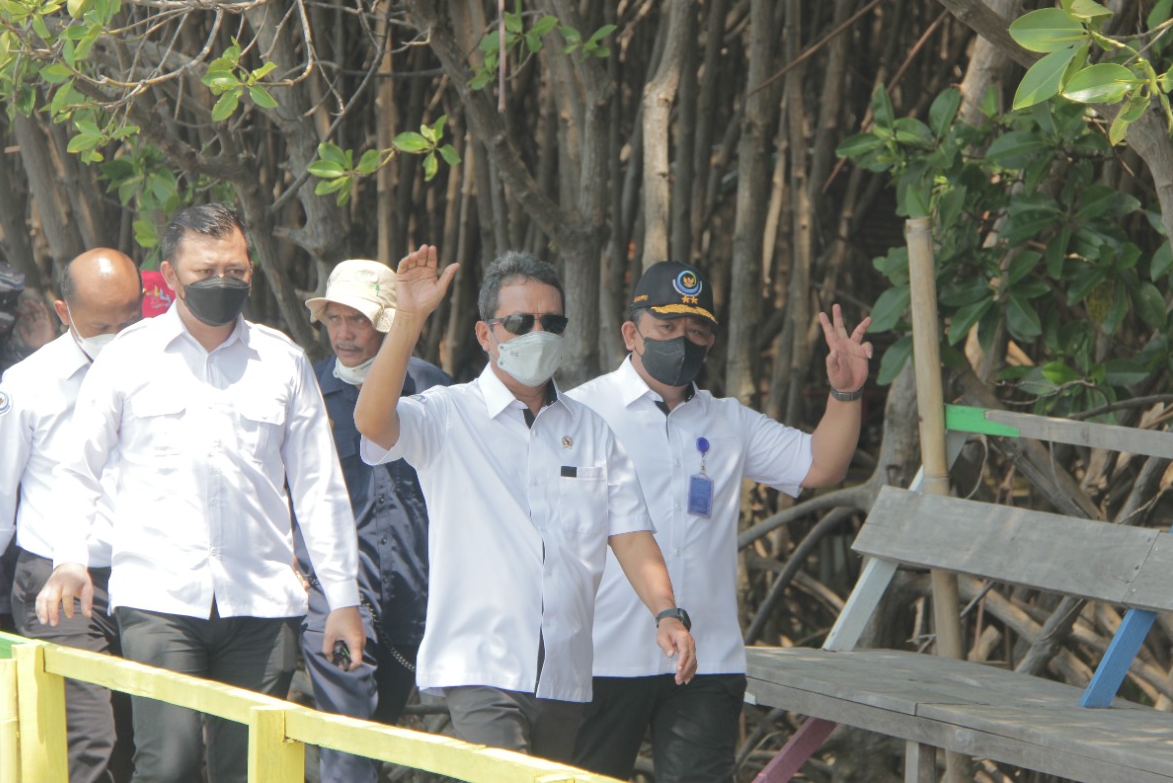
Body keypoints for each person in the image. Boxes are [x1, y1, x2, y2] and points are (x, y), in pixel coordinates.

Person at [36, 203, 364, 783]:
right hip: (160, 602)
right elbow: (76, 468)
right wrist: (69, 559)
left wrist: (341, 600)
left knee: (254, 770)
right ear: (169, 275)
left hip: (261, 606)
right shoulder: (127, 359)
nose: (222, 282)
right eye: (205, 271)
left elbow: (319, 488)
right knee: (170, 764)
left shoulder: (282, 361)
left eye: (236, 271)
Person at [354, 247, 697, 762]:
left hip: (565, 669)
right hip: (481, 666)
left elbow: (629, 532)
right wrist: (406, 321)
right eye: (519, 321)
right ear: (485, 335)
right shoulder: (449, 414)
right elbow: (372, 422)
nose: (537, 333)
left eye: (550, 321)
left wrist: (666, 612)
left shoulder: (591, 430)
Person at [568, 261, 872, 783]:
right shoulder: (579, 413)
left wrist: (845, 393)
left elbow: (823, 464)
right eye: (666, 327)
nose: (682, 341)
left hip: (706, 661)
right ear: (631, 332)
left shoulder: (728, 421)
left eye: (697, 330)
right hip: (601, 657)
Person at [0, 249, 143, 783]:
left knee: (147, 740)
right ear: (62, 311)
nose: (117, 337)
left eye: (130, 322)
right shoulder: (29, 384)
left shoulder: (164, 371)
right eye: (102, 325)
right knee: (89, 741)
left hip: (149, 582)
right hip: (60, 584)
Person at [297, 259, 451, 783]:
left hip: (413, 590)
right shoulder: (307, 392)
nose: (343, 332)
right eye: (334, 319)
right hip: (337, 590)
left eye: (357, 320)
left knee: (376, 733)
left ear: (388, 321)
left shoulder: (431, 388)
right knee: (348, 740)